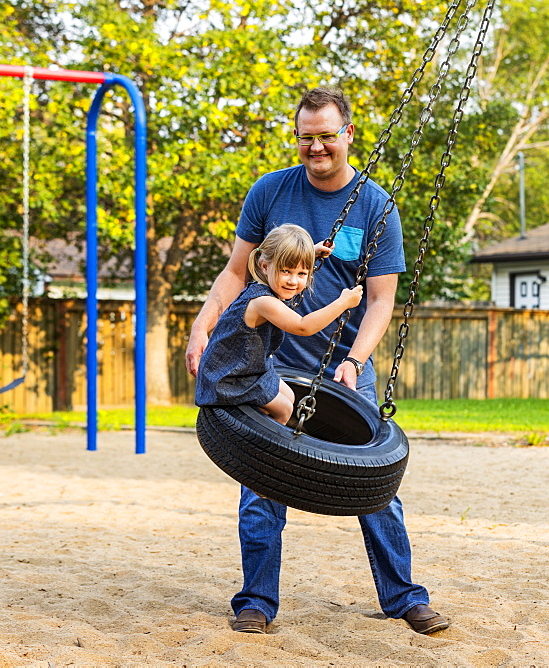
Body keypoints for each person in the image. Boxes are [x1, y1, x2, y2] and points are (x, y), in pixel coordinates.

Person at [185, 85, 449, 636]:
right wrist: (202, 324)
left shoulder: (377, 205)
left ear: (348, 134)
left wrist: (356, 358)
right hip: (269, 365)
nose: (317, 148)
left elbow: (380, 299)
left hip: (345, 366)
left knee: (375, 485)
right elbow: (236, 272)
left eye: (328, 136)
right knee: (261, 481)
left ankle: (403, 597)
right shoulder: (270, 191)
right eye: (307, 138)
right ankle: (256, 602)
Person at [195, 224, 362, 424]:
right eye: (285, 271)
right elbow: (303, 326)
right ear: (264, 266)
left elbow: (291, 267)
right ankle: (260, 450)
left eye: (302, 273)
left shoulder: (266, 288)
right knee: (284, 409)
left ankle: (254, 426)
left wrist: (309, 254)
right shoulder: (263, 302)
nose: (293, 281)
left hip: (248, 370)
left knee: (289, 396)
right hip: (227, 378)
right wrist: (342, 303)